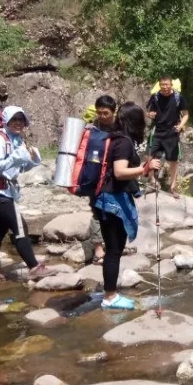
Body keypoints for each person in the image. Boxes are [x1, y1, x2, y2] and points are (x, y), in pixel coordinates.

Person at [0, 106, 55, 283]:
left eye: (21, 120)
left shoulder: (16, 140)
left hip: (6, 191)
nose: (18, 123)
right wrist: (17, 157)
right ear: (6, 121)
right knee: (20, 229)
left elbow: (18, 167)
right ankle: (34, 268)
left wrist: (32, 161)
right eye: (14, 120)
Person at [93, 102, 153, 310]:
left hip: (107, 199)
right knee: (113, 250)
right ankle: (110, 297)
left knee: (114, 250)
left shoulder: (116, 138)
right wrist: (144, 169)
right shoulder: (124, 142)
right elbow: (119, 172)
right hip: (111, 201)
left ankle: (110, 293)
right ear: (135, 123)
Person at [81, 95, 117, 265]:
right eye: (100, 113)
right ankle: (98, 249)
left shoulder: (119, 128)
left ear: (113, 112)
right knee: (97, 210)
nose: (102, 116)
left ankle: (113, 244)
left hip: (114, 176)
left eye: (106, 113)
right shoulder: (91, 129)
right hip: (94, 175)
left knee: (113, 210)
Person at [146, 77, 189, 198]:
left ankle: (172, 187)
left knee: (174, 160)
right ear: (159, 85)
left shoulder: (178, 97)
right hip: (157, 131)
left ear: (171, 85)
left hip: (172, 132)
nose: (165, 87)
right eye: (162, 85)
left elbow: (185, 115)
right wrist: (150, 114)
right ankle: (153, 182)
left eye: (167, 84)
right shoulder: (155, 97)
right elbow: (148, 112)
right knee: (151, 155)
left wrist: (180, 125)